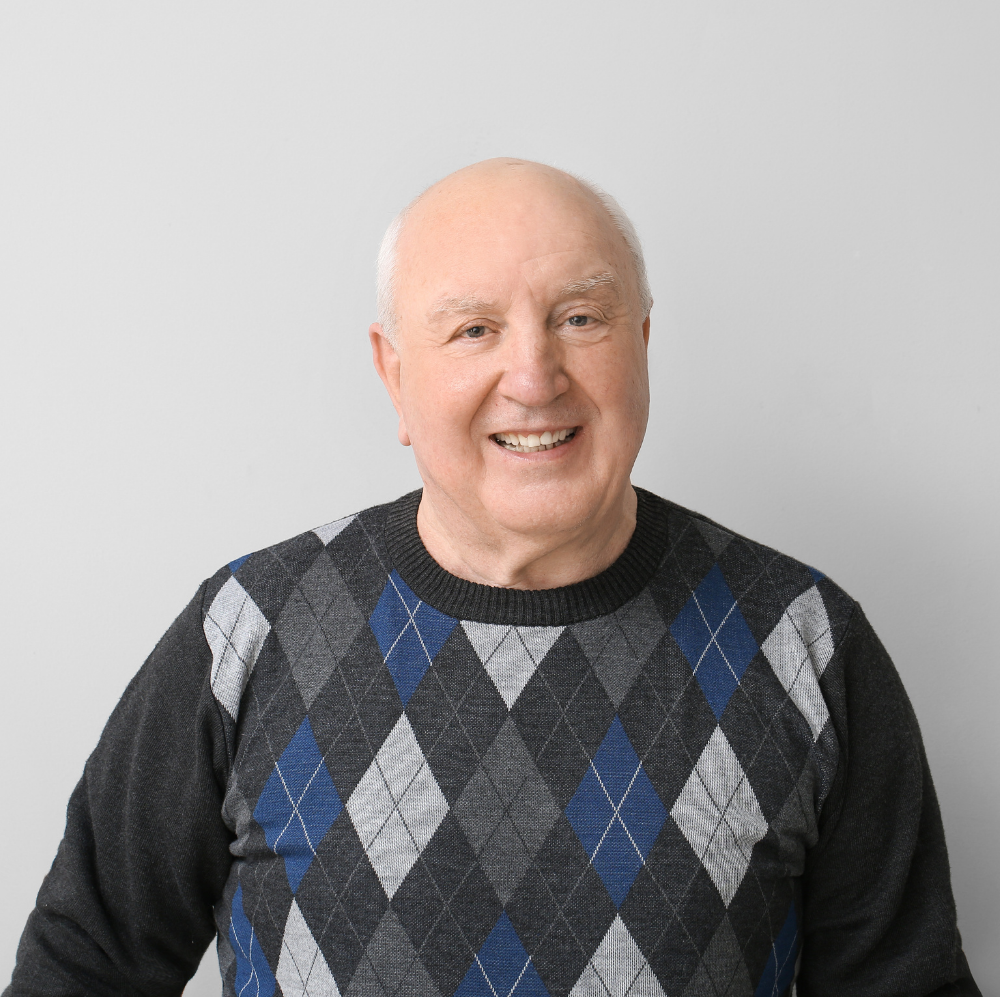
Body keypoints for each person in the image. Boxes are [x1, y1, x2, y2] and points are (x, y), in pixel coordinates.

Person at [6, 159, 979, 996]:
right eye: (472, 329)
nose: (534, 373)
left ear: (640, 345)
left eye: (581, 317)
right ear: (393, 374)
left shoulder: (804, 641)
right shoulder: (249, 629)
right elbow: (82, 966)